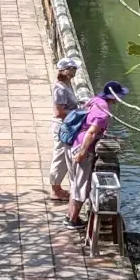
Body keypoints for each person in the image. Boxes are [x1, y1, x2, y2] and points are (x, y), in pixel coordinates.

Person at [65, 80, 127, 228]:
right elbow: (92, 132)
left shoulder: (95, 100)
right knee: (82, 187)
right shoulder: (103, 112)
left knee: (74, 183)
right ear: (114, 97)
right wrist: (82, 152)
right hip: (82, 148)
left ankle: (69, 215)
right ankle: (73, 220)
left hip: (73, 142)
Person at [50, 55, 84, 202]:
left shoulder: (67, 85)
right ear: (65, 71)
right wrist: (80, 112)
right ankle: (55, 189)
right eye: (72, 68)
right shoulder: (60, 89)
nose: (75, 71)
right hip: (63, 127)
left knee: (63, 156)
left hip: (68, 125)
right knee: (60, 157)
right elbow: (59, 112)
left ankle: (57, 187)